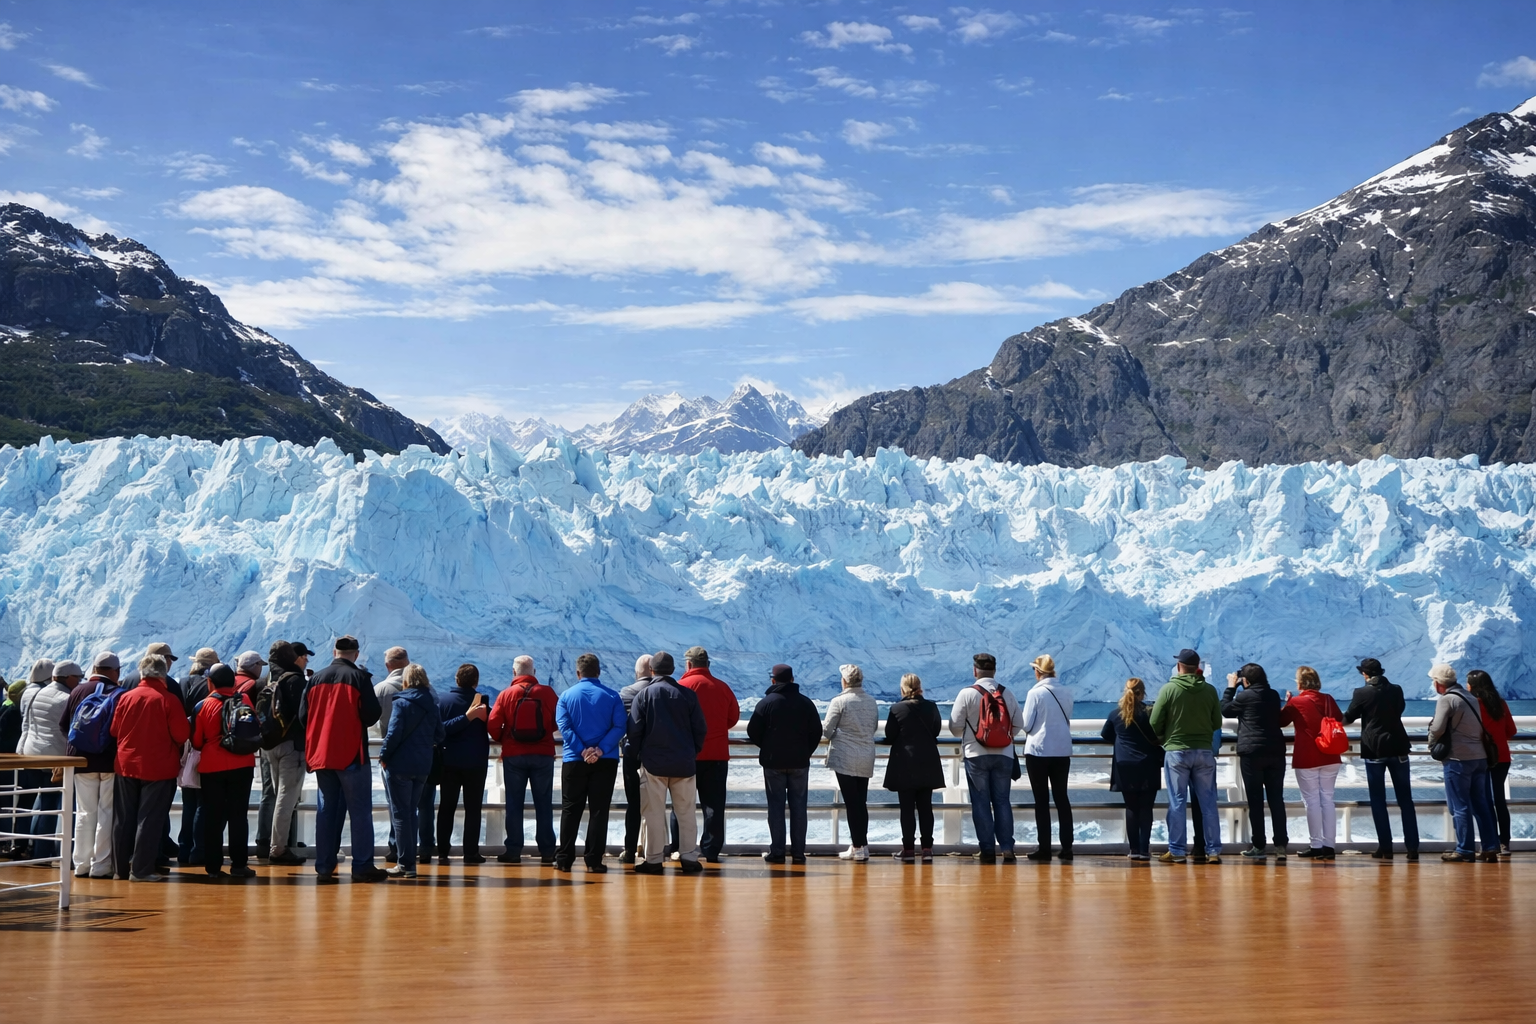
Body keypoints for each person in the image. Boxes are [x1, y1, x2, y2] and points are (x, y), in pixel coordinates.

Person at [298, 636, 387, 883]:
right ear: (356, 654)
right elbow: (371, 715)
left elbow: (303, 716)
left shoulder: (315, 679)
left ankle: (324, 866)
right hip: (351, 754)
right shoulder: (359, 678)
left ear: (334, 652)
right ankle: (362, 865)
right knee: (359, 811)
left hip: (321, 755)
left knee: (326, 809)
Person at [109, 654, 190, 881]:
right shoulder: (168, 700)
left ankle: (120, 869)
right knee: (149, 819)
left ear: (141, 673)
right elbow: (182, 734)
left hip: (126, 765)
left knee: (123, 819)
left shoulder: (126, 697)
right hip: (159, 767)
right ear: (163, 675)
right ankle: (141, 870)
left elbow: (114, 730)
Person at [627, 651, 707, 874]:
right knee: (686, 812)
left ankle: (653, 860)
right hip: (684, 763)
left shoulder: (644, 696)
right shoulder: (688, 695)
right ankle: (689, 858)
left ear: (652, 670)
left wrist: (639, 754)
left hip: (654, 765)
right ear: (673, 670)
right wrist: (692, 752)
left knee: (653, 813)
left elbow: (634, 730)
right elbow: (700, 729)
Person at [554, 653, 626, 873]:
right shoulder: (613, 697)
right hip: (605, 761)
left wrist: (582, 750)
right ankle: (593, 861)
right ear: (598, 671)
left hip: (575, 760)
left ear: (578, 673)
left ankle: (565, 859)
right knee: (598, 810)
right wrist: (600, 749)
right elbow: (619, 727)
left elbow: (564, 727)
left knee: (570, 810)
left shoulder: (566, 696)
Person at [1150, 648, 1223, 864]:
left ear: (1179, 666)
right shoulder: (1210, 691)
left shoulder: (1169, 689)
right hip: (1204, 752)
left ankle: (1177, 851)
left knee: (1177, 801)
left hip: (1176, 752)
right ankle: (1213, 851)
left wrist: (1166, 738)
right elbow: (1217, 723)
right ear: (1197, 667)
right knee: (1208, 802)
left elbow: (1154, 722)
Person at [948, 653, 1022, 864]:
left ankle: (987, 849)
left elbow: (954, 728)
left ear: (975, 670)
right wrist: (1001, 738)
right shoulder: (1006, 693)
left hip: (975, 755)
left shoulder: (967, 694)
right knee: (1002, 801)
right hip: (1005, 755)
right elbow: (1019, 724)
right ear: (995, 671)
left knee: (980, 802)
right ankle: (1007, 847)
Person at [746, 663, 822, 866]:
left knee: (776, 807)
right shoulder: (806, 703)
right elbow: (816, 731)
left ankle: (777, 851)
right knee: (799, 807)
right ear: (792, 680)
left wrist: (768, 746)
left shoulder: (766, 703)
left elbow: (753, 731)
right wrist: (806, 751)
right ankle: (798, 852)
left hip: (773, 763)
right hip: (799, 762)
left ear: (773, 680)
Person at [1343, 658, 1419, 861]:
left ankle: (1386, 848)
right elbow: (1400, 709)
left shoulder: (1361, 693)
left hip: (1374, 749)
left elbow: (1349, 717)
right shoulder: (1396, 689)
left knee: (1378, 800)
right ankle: (1412, 848)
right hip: (1399, 747)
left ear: (1364, 674)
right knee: (1406, 800)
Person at [488, 656, 558, 865]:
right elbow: (558, 720)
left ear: (514, 672)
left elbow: (493, 725)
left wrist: (506, 739)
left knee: (514, 803)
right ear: (534, 672)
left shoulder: (506, 695)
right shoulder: (547, 693)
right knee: (543, 803)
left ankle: (513, 850)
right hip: (543, 755)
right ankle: (547, 851)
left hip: (514, 756)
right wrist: (544, 733)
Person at [1427, 664, 1499, 862]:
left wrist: (1431, 736)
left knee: (1460, 806)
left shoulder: (1447, 699)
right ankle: (1490, 846)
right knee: (1481, 804)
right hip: (1479, 757)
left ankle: (1465, 849)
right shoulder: (1471, 698)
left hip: (1458, 758)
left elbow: (1438, 727)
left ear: (1438, 683)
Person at [674, 647, 740, 864]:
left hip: (686, 755)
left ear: (689, 665)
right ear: (708, 664)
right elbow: (733, 718)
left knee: (681, 803)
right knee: (713, 805)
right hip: (716, 755)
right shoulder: (722, 688)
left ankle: (680, 847)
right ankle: (711, 849)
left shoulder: (680, 687)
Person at [191, 664, 257, 879]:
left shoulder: (203, 706)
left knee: (213, 817)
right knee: (239, 816)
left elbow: (197, 741)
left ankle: (213, 867)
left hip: (213, 767)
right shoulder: (245, 701)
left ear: (210, 683)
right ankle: (239, 865)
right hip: (243, 764)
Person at [379, 663, 444, 878]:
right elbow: (440, 734)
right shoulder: (433, 703)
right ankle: (410, 863)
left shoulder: (402, 702)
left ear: (406, 681)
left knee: (400, 814)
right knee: (412, 812)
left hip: (400, 765)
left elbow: (394, 732)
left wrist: (384, 756)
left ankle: (406, 864)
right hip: (423, 766)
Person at [62, 653, 123, 878]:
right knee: (107, 812)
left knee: (85, 812)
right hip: (108, 761)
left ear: (95, 667)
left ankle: (81, 864)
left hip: (80, 760)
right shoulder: (119, 694)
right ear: (115, 671)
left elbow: (64, 726)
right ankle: (101, 865)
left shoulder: (78, 691)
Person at [1222, 663, 1289, 860]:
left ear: (1246, 680)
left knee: (1255, 800)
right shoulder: (1273, 695)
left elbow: (1225, 710)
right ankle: (1281, 846)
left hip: (1252, 753)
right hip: (1275, 751)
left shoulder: (1244, 696)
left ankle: (1259, 845)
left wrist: (1231, 687)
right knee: (1277, 799)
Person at [1280, 666, 1345, 860]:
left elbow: (1281, 721)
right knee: (1327, 800)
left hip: (1307, 756)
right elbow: (1339, 718)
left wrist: (1288, 702)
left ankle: (1316, 845)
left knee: (1312, 802)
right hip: (1331, 755)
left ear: (1299, 683)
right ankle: (1329, 846)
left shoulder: (1296, 702)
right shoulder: (1328, 699)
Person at [19, 658, 76, 860]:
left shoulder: (36, 694)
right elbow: (68, 730)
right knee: (51, 805)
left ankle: (33, 847)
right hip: (55, 758)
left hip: (32, 754)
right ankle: (44, 852)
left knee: (41, 802)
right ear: (68, 678)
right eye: (77, 678)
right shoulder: (66, 698)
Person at [1101, 678, 1164, 862]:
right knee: (1146, 808)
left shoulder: (1115, 714)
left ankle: (1134, 849)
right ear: (1142, 692)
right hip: (1148, 764)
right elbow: (1157, 735)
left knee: (1131, 807)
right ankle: (1144, 850)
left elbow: (1106, 735)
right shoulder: (1149, 713)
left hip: (1124, 765)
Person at [883, 673, 943, 862]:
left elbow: (890, 735)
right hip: (928, 761)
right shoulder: (931, 707)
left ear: (903, 689)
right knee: (926, 807)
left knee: (907, 809)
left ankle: (908, 850)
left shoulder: (896, 709)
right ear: (919, 687)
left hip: (905, 763)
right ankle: (927, 849)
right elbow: (936, 730)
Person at [1020, 654, 1074, 862]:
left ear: (1038, 672)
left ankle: (1044, 848)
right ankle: (1067, 847)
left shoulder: (1036, 693)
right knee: (1062, 798)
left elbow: (1026, 724)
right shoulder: (1066, 692)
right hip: (1062, 750)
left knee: (1041, 801)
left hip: (1039, 751)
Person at [437, 664, 491, 864]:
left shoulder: (442, 701)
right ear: (476, 681)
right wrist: (469, 717)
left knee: (446, 807)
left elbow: (440, 731)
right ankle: (470, 852)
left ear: (456, 679)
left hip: (449, 762)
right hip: (476, 763)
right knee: (473, 808)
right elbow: (493, 727)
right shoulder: (482, 702)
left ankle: (442, 851)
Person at [824, 664, 878, 862]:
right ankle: (861, 844)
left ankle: (858, 847)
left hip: (845, 756)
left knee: (851, 803)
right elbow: (871, 727)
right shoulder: (871, 701)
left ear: (844, 681)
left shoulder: (840, 702)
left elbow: (827, 730)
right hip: (865, 756)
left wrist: (839, 733)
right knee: (860, 802)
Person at [261, 641, 309, 866]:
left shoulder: (269, 679)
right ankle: (278, 849)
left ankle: (271, 843)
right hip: (292, 746)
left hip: (270, 745)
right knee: (287, 797)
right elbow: (304, 714)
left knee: (276, 795)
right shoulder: (295, 680)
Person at [176, 647, 219, 867]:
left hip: (185, 749)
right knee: (204, 802)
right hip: (205, 748)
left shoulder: (183, 683)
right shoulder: (210, 686)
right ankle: (199, 849)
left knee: (188, 802)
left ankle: (184, 848)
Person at [1466, 669, 1516, 856]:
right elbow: (1511, 730)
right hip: (1502, 757)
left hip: (1481, 757)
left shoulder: (1474, 704)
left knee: (1483, 801)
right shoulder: (1501, 703)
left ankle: (1490, 842)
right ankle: (1505, 842)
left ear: (1473, 686)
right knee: (1499, 800)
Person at [616, 655, 655, 864]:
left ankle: (630, 849)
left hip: (632, 754)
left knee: (633, 803)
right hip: (659, 755)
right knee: (656, 804)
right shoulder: (662, 692)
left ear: (637, 672)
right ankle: (654, 850)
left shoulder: (627, 693)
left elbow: (619, 724)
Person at [372, 647, 409, 863]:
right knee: (416, 805)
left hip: (391, 755)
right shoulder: (426, 690)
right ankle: (418, 846)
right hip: (419, 756)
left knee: (395, 804)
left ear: (388, 666)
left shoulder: (381, 689)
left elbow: (370, 720)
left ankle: (396, 848)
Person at [0, 678, 22, 859]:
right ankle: (5, 841)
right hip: (9, 760)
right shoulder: (14, 711)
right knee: (6, 803)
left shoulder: (4, 706)